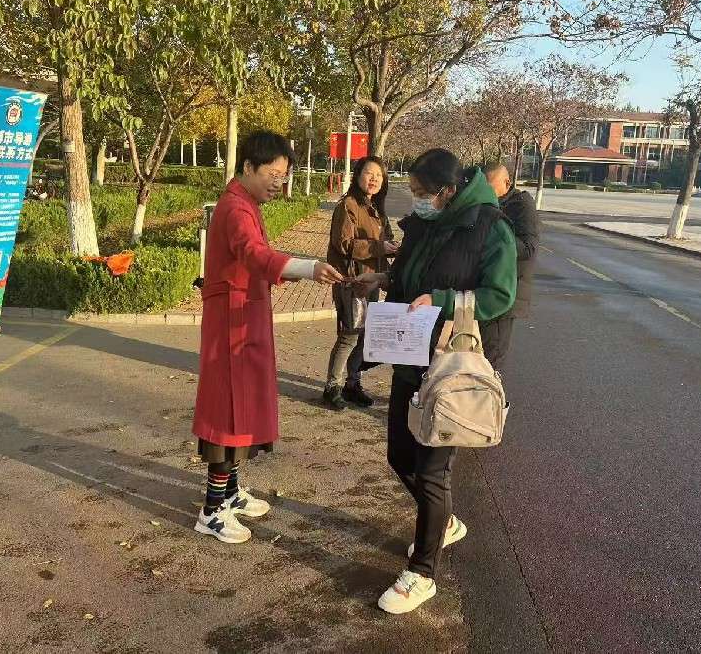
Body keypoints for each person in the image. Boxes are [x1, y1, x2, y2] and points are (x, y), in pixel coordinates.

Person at [354, 149, 517, 614]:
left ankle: (422, 573)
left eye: (423, 192)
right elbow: (412, 275)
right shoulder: (425, 223)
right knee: (399, 455)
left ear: (447, 190)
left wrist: (443, 300)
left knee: (431, 471)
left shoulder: (490, 227)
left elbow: (500, 295)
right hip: (409, 355)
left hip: (449, 365)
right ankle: (442, 522)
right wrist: (384, 279)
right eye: (414, 192)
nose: (417, 200)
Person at [192, 131, 343, 544]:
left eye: (284, 175)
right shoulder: (236, 208)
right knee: (227, 416)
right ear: (247, 167)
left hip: (243, 319)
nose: (280, 182)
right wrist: (307, 268)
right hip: (231, 327)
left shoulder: (246, 203)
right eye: (273, 174)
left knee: (243, 411)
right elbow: (255, 254)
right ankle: (212, 510)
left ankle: (230, 493)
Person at [323, 156, 398, 409]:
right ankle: (332, 386)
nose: (374, 179)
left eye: (379, 175)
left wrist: (392, 248)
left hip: (372, 280)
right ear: (358, 176)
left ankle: (352, 383)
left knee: (364, 335)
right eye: (369, 173)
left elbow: (385, 240)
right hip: (351, 280)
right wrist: (379, 247)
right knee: (350, 335)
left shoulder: (376, 208)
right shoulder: (348, 205)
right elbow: (344, 244)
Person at [482, 162, 540, 372]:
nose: (486, 192)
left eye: (490, 186)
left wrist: (495, 236)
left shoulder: (521, 205)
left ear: (507, 183)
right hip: (485, 290)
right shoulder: (487, 204)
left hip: (507, 292)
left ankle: (489, 392)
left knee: (491, 359)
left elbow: (528, 248)